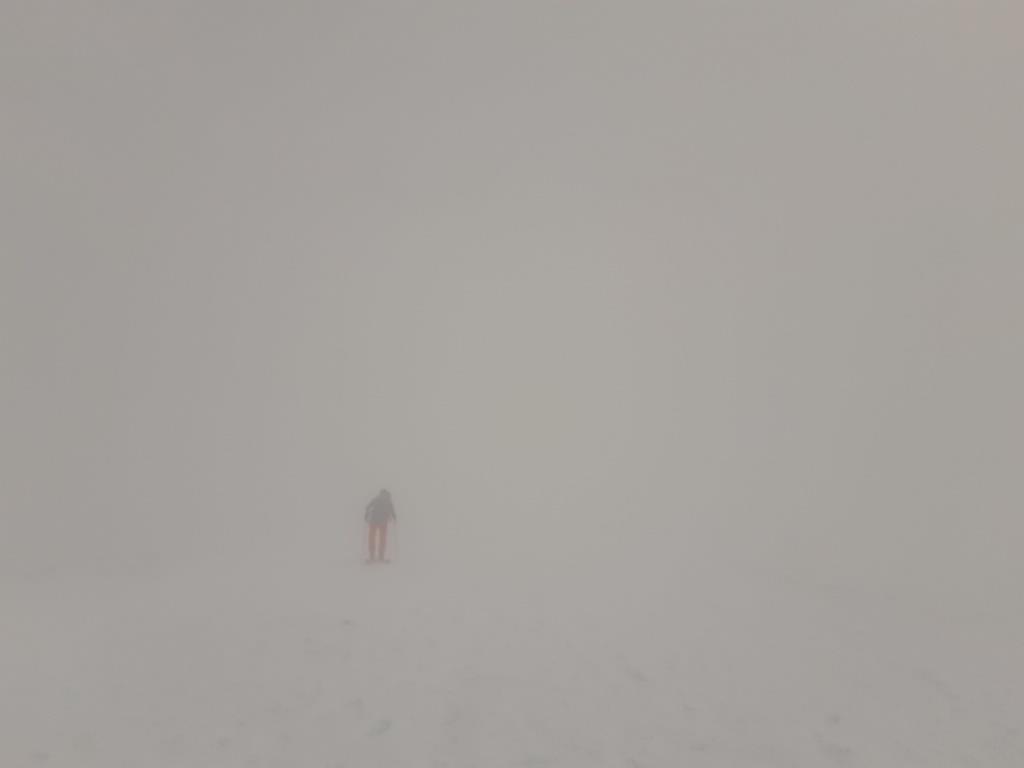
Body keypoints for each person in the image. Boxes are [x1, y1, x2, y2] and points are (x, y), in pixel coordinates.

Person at [364, 489, 396, 563]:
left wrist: (366, 515)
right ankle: (380, 556)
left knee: (372, 538)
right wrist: (394, 517)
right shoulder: (388, 501)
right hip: (382, 522)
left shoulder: (376, 499)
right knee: (382, 539)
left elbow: (368, 507)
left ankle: (372, 555)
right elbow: (392, 511)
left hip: (374, 521)